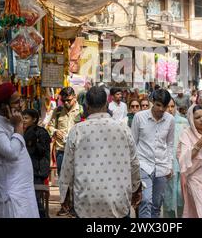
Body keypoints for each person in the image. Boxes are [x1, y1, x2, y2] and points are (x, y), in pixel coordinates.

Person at [58, 86, 142, 218]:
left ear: (86, 106)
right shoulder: (123, 129)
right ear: (107, 104)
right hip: (118, 202)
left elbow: (67, 167)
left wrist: (64, 196)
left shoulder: (77, 130)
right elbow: (134, 163)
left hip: (86, 203)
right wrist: (137, 188)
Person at [0, 82, 39, 218]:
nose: (21, 105)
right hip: (11, 195)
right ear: (3, 106)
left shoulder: (9, 120)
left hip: (22, 193)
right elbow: (11, 153)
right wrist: (19, 127)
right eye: (16, 102)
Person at [131, 89, 175, 218]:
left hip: (162, 167)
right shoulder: (139, 117)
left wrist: (170, 165)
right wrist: (133, 167)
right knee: (145, 201)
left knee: (156, 204)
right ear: (152, 102)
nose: (161, 109)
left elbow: (170, 144)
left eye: (164, 106)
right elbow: (133, 142)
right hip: (143, 165)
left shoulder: (170, 120)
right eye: (158, 105)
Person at [46, 86, 82, 216]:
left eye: (69, 100)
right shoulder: (58, 110)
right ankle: (65, 206)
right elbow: (49, 126)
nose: (66, 103)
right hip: (61, 149)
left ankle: (75, 207)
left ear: (75, 97)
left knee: (77, 179)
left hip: (78, 151)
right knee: (63, 179)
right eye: (64, 100)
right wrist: (55, 132)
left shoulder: (82, 111)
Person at [163, 98, 189, 218]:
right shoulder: (159, 123)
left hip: (182, 166)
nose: (170, 109)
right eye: (167, 106)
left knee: (181, 196)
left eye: (172, 106)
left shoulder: (183, 122)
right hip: (165, 167)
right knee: (167, 199)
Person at [22, 109, 51, 218]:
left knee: (36, 200)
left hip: (37, 171)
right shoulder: (23, 131)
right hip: (26, 170)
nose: (24, 120)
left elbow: (43, 151)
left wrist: (34, 142)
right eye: (23, 118)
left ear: (34, 119)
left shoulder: (41, 132)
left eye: (26, 118)